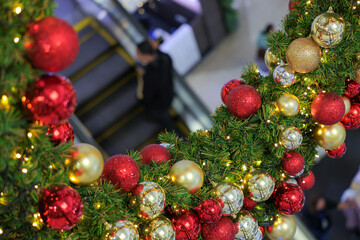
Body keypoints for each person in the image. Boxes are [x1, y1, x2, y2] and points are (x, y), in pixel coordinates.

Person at [135, 40, 176, 132]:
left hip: (159, 104)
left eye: (138, 53)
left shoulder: (149, 76)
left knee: (166, 122)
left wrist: (142, 75)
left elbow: (145, 96)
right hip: (169, 93)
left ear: (145, 55)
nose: (136, 55)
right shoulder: (165, 58)